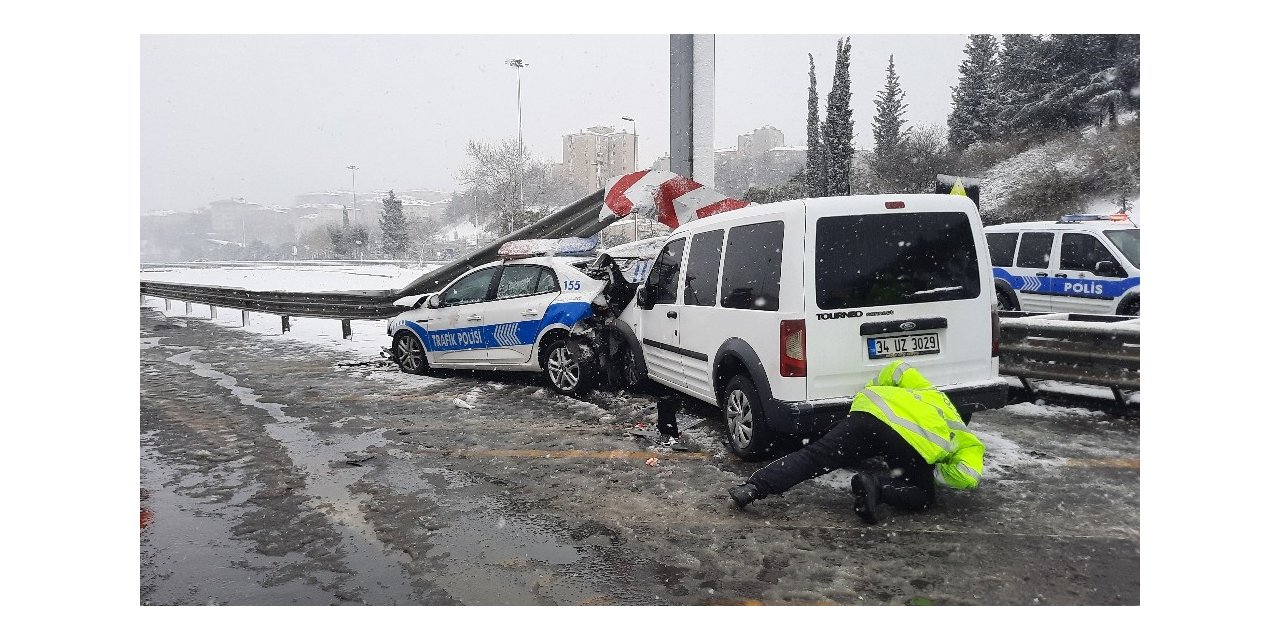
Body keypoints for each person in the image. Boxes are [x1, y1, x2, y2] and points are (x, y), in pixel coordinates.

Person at [727, 360, 985, 524]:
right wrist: (934, 470)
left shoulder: (930, 393)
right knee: (923, 495)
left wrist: (868, 392)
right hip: (908, 445)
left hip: (869, 415)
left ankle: (752, 488)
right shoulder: (967, 440)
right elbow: (967, 475)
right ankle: (876, 487)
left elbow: (896, 369)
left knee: (814, 457)